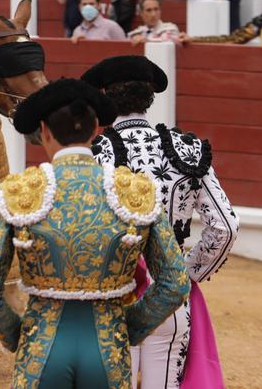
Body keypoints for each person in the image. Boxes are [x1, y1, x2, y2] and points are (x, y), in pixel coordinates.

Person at [0, 78, 189, 389]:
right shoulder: (136, 192)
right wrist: (128, 328)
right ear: (96, 127)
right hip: (107, 348)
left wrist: (20, 336)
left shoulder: (14, 193)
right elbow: (175, 283)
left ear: (43, 130)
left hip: (42, 347)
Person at [85, 55, 238, 389]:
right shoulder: (187, 149)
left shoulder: (94, 154)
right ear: (149, 97)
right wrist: (184, 271)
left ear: (106, 100)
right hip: (168, 298)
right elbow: (225, 226)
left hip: (111, 296)